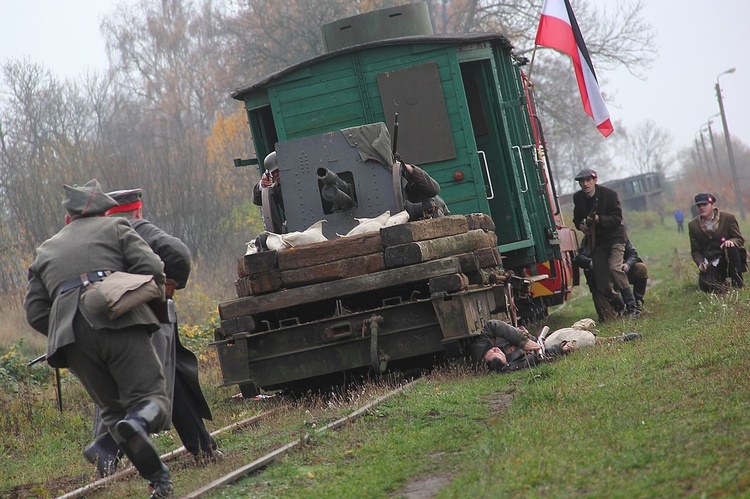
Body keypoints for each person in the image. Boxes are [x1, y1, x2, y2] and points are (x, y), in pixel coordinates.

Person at [24, 180, 174, 498]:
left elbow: (36, 313)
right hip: (118, 321)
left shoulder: (45, 250)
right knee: (152, 401)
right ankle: (113, 445)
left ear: (69, 218)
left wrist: (70, 329)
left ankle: (158, 480)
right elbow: (152, 269)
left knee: (116, 414)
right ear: (105, 213)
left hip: (70, 338)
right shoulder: (117, 228)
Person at [84, 188, 218, 477]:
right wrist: (170, 285)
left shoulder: (95, 238)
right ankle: (109, 451)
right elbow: (178, 254)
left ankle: (201, 446)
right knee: (153, 386)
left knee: (158, 385)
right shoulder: (138, 228)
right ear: (138, 211)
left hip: (106, 327)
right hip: (149, 324)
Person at [572, 168, 639, 318]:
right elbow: (576, 219)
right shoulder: (578, 198)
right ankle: (621, 308)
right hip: (597, 242)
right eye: (582, 181)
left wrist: (599, 220)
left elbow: (617, 219)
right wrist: (581, 226)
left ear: (595, 181)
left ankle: (633, 308)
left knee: (615, 268)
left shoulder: (609, 195)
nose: (585, 184)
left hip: (615, 238)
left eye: (588, 180)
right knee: (602, 284)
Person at [575, 237, 649, 322]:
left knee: (641, 268)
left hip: (621, 272)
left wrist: (627, 264)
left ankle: (637, 304)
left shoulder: (619, 234)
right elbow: (579, 258)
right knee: (608, 320)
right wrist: (594, 264)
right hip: (600, 283)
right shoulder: (590, 238)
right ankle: (620, 307)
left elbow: (632, 253)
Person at [688, 192, 746, 292]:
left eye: (705, 205)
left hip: (728, 257)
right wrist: (700, 262)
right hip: (712, 261)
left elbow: (739, 239)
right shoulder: (693, 225)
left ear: (712, 205)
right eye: (699, 205)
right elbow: (696, 251)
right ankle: (722, 284)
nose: (702, 208)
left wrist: (731, 242)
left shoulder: (728, 218)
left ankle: (738, 283)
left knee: (731, 248)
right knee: (705, 285)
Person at [252, 151, 286, 234]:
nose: (276, 174)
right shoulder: (276, 188)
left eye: (278, 170)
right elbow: (257, 200)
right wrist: (262, 185)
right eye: (273, 172)